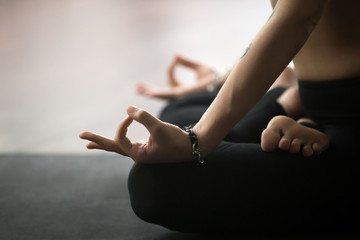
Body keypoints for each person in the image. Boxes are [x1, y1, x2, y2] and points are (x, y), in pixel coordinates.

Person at [79, 0, 360, 235]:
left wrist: (197, 139)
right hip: (321, 103)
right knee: (175, 113)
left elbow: (297, 17)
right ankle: (291, 105)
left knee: (153, 183)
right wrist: (221, 80)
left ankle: (289, 107)